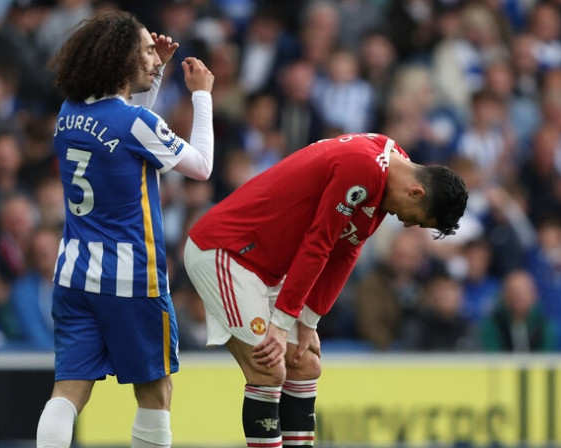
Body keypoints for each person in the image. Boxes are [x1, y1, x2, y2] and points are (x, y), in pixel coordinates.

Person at [184, 132, 467, 447]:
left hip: (265, 267)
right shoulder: (364, 167)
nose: (407, 224)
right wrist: (281, 324)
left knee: (304, 365)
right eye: (418, 220)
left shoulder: (389, 163)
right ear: (416, 192)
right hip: (226, 252)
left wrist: (308, 321)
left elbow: (348, 247)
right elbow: (318, 243)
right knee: (268, 367)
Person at [35, 11, 214, 448]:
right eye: (148, 51)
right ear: (121, 61)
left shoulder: (69, 113)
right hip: (133, 278)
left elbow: (125, 135)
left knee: (69, 390)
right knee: (155, 391)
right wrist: (202, 96)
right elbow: (202, 166)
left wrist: (157, 74)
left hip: (74, 275)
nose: (157, 56)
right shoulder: (137, 124)